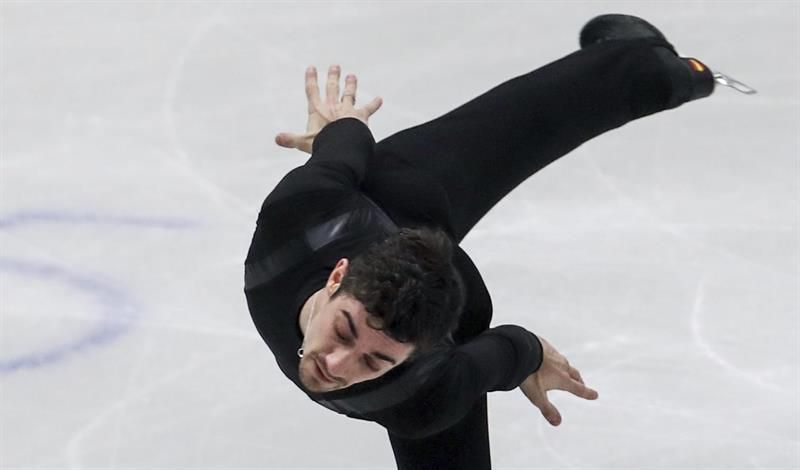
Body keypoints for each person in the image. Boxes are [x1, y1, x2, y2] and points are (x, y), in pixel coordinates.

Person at [244, 14, 753, 469]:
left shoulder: (428, 387)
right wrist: (337, 127)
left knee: (520, 122)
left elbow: (509, 348)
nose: (334, 365)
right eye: (347, 330)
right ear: (338, 276)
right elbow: (346, 144)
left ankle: (669, 73)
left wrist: (530, 355)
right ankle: (650, 69)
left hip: (455, 296)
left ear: (415, 357)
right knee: (471, 140)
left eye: (375, 361)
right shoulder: (301, 216)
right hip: (396, 199)